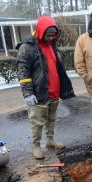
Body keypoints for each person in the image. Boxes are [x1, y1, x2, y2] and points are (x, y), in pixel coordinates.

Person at [17, 16, 75, 159]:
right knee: (37, 122)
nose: (50, 38)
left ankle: (50, 141)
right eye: (48, 35)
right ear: (41, 31)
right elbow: (22, 71)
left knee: (51, 119)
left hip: (54, 91)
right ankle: (36, 146)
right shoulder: (27, 47)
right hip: (39, 93)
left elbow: (57, 68)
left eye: (53, 35)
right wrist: (27, 93)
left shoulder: (52, 45)